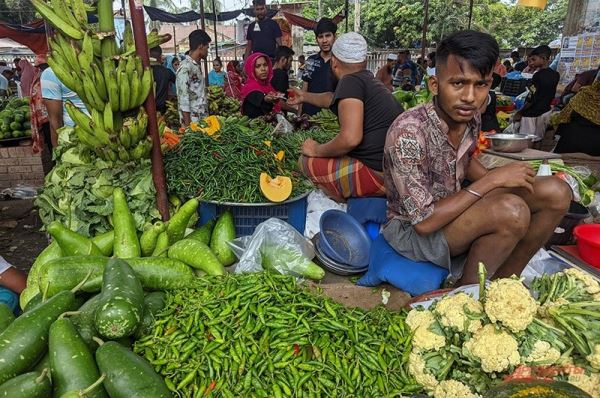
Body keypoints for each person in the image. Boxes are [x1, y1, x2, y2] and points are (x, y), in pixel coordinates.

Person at [383, 30, 571, 286]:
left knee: (556, 191)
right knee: (512, 211)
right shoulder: (409, 132)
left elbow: (464, 158)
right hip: (413, 230)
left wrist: (506, 182)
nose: (470, 97)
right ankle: (465, 295)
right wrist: (492, 181)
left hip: (454, 208)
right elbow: (424, 223)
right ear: (435, 85)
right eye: (458, 83)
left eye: (480, 84)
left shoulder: (470, 115)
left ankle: (506, 283)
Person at [288, 32, 403, 201]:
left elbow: (350, 139)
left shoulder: (349, 82)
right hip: (396, 174)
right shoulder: (368, 80)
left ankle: (344, 200)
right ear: (363, 62)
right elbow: (331, 99)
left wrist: (317, 150)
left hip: (379, 177)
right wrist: (304, 96)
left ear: (334, 63)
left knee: (304, 162)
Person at [514, 45, 560, 140]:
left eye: (534, 60)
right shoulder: (556, 75)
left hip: (531, 114)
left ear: (543, 58)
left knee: (526, 141)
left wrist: (519, 112)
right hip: (545, 111)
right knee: (538, 140)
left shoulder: (537, 76)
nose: (531, 63)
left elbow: (531, 98)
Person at [41, 64, 88, 147]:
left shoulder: (107, 66)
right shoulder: (52, 73)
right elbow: (55, 121)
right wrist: (58, 150)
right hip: (73, 142)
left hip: (110, 139)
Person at [554, 76, 600, 156]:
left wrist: (552, 119)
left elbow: (564, 116)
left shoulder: (584, 94)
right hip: (596, 151)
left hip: (571, 143)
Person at [301, 18, 337, 116]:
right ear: (316, 39)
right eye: (320, 37)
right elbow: (304, 90)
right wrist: (299, 116)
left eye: (328, 36)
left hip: (331, 117)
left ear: (335, 36)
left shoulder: (340, 62)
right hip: (309, 116)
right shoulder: (310, 61)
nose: (324, 40)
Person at [177, 29, 211, 127]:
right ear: (200, 46)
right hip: (193, 124)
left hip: (201, 121)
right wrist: (188, 128)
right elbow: (183, 98)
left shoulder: (195, 66)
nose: (207, 51)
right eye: (207, 47)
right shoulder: (185, 67)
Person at [240, 53, 282, 118]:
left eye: (265, 65)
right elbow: (261, 99)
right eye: (258, 66)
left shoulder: (267, 86)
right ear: (251, 69)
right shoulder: (250, 88)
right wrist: (267, 99)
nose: (263, 69)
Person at [30, 54, 52, 172]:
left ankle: (55, 160)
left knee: (52, 138)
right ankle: (55, 160)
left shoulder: (43, 77)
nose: (41, 68)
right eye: (40, 66)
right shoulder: (40, 77)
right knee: (50, 139)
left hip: (48, 114)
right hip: (45, 115)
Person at [149, 46, 176, 113]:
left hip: (147, 110)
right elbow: (178, 82)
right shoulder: (167, 71)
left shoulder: (143, 71)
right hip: (162, 109)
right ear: (160, 56)